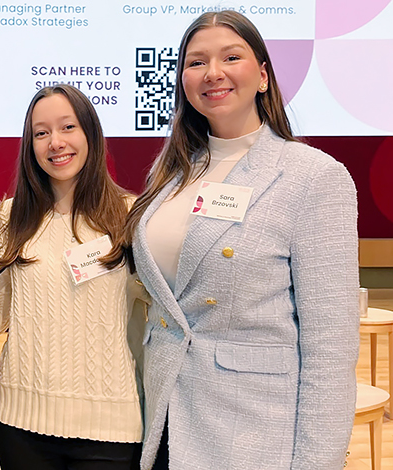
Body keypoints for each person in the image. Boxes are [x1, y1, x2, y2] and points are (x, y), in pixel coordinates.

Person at [121, 10, 359, 469]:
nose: (213, 72)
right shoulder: (170, 174)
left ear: (264, 75)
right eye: (196, 62)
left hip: (251, 431)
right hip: (166, 418)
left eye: (231, 56)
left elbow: (330, 350)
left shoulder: (314, 177)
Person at [0, 84, 147, 470]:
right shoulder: (11, 217)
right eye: (41, 133)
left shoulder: (131, 215)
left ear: (90, 132)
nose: (55, 142)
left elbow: (153, 314)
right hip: (21, 422)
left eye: (67, 127)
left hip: (111, 426)